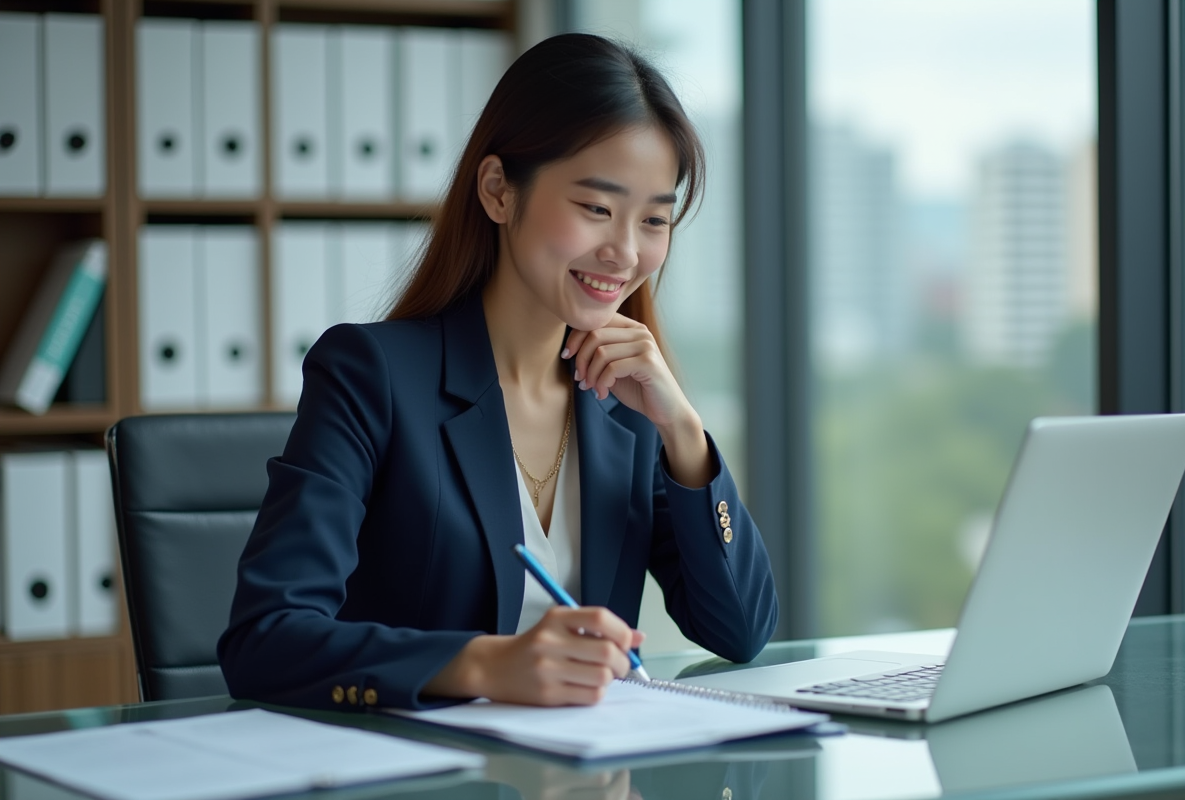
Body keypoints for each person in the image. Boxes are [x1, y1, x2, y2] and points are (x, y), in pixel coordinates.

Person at [217, 32, 778, 712]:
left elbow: (741, 631)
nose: (624, 253)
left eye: (654, 220)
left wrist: (684, 433)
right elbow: (264, 642)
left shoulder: (625, 409)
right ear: (497, 191)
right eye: (596, 209)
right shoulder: (371, 376)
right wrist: (483, 664)